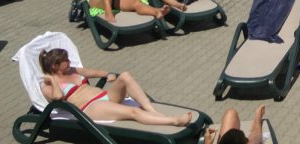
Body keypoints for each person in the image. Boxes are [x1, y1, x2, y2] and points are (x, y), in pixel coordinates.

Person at [38, 47, 191, 127]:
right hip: (92, 107)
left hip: (105, 96)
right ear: (54, 66)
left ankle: (152, 110)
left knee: (124, 75)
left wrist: (107, 74)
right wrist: (52, 79)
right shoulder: (48, 85)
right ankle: (173, 121)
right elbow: (57, 98)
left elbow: (93, 72)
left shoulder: (73, 70)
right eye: (66, 60)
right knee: (133, 111)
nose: (70, 61)